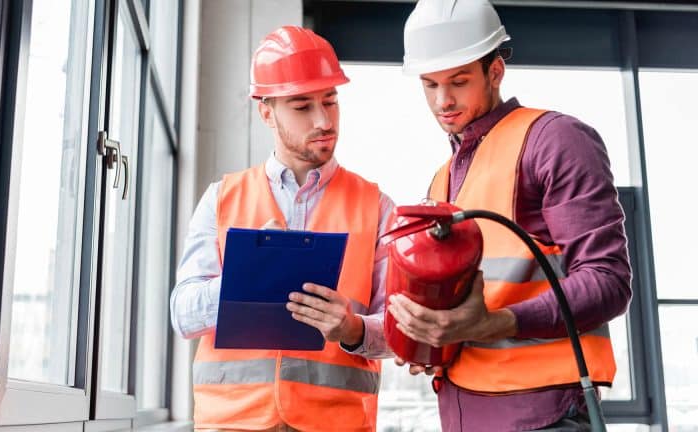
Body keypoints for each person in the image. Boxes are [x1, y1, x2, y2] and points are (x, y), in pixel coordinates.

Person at [386, 1, 632, 431]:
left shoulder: (553, 141)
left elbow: (607, 281)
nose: (443, 101)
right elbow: (465, 305)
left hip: (542, 415)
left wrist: (498, 322)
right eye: (430, 84)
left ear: (495, 71)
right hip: (464, 414)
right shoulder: (441, 181)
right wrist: (430, 339)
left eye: (459, 82)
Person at [170, 26, 395, 432]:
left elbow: (399, 330)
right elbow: (183, 315)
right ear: (266, 111)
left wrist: (352, 328)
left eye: (331, 101)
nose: (324, 120)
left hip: (335, 424)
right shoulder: (221, 198)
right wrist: (246, 274)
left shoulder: (376, 206)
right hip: (232, 424)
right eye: (302, 105)